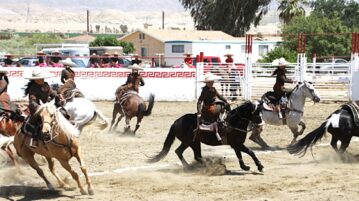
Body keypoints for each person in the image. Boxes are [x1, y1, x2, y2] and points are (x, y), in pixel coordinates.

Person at [23, 68, 58, 147]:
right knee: (36, 122)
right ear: (36, 80)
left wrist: (58, 96)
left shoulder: (46, 85)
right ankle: (34, 139)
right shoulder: (33, 88)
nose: (42, 80)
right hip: (37, 109)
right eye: (40, 78)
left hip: (48, 108)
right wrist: (40, 108)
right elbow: (32, 102)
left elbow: (53, 93)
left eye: (42, 78)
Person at [196, 72, 230, 142]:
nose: (212, 83)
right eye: (210, 82)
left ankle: (222, 121)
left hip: (213, 106)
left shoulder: (213, 89)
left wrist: (226, 100)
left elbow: (219, 96)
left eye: (212, 81)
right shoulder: (205, 91)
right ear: (207, 82)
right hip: (209, 109)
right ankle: (223, 123)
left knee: (225, 104)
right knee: (224, 106)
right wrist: (199, 112)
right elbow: (199, 102)